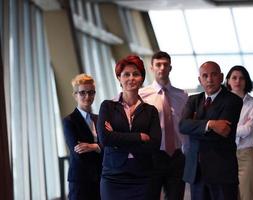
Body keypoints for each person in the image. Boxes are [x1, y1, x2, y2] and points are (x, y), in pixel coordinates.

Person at [97, 55, 162, 200]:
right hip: (113, 177)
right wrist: (139, 137)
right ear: (119, 78)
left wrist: (117, 139)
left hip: (144, 176)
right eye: (126, 74)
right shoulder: (107, 106)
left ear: (142, 79)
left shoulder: (151, 111)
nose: (131, 78)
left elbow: (154, 145)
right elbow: (105, 139)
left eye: (136, 74)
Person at [179, 61, 243, 200]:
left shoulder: (233, 100)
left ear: (221, 77)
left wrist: (195, 126)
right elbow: (182, 126)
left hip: (222, 173)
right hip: (196, 172)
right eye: (205, 75)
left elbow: (223, 132)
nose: (209, 79)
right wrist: (211, 124)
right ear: (199, 79)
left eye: (213, 75)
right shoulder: (193, 100)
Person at [139, 51, 188, 200]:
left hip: (177, 156)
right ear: (151, 68)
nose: (162, 68)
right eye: (158, 65)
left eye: (165, 65)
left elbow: (187, 125)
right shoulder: (141, 95)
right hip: (153, 155)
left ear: (170, 68)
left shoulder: (182, 96)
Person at [63, 74, 103, 200]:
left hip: (102, 179)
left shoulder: (99, 119)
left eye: (91, 92)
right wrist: (100, 148)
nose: (87, 96)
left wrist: (93, 147)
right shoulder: (69, 121)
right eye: (82, 93)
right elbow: (78, 153)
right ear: (75, 95)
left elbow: (110, 147)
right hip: (81, 181)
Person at [225, 65, 253, 200]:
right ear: (228, 80)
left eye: (241, 78)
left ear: (246, 81)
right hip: (225, 156)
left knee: (248, 196)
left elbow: (248, 130)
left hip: (246, 156)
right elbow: (218, 129)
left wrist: (227, 128)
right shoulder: (221, 103)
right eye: (234, 78)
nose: (237, 81)